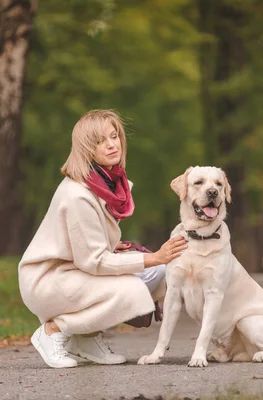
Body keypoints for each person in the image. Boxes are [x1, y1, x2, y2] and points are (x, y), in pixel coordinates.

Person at [18, 109, 187, 368]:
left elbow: (88, 244)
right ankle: (53, 331)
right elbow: (93, 261)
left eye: (114, 136)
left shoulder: (109, 185)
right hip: (48, 278)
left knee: (159, 273)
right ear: (86, 149)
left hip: (73, 270)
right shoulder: (78, 194)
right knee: (132, 289)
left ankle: (85, 340)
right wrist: (152, 257)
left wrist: (143, 259)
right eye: (100, 141)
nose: (111, 144)